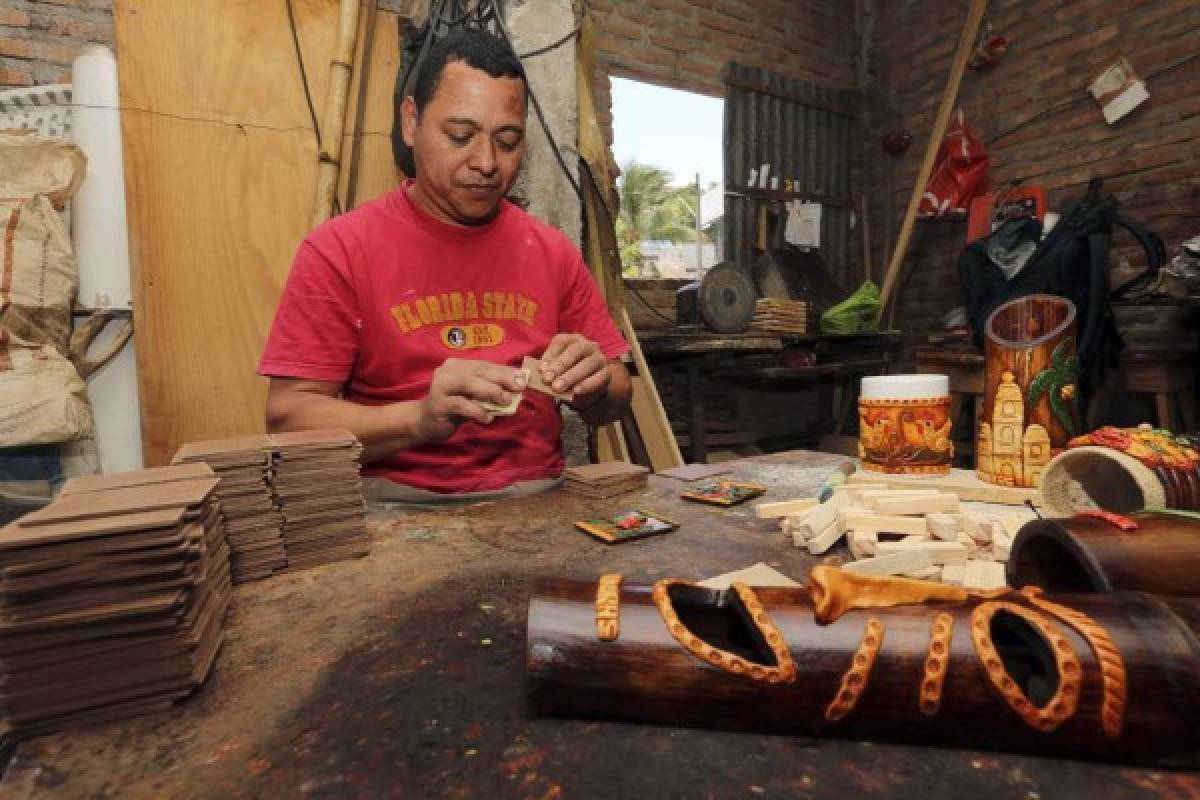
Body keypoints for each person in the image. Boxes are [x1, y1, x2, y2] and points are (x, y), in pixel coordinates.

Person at [258, 28, 632, 502]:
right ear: (411, 122)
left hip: (539, 499)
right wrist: (418, 419)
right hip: (396, 502)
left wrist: (596, 383)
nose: (487, 163)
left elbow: (618, 395)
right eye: (460, 136)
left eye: (508, 141)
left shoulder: (551, 251)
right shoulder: (339, 250)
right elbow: (288, 418)